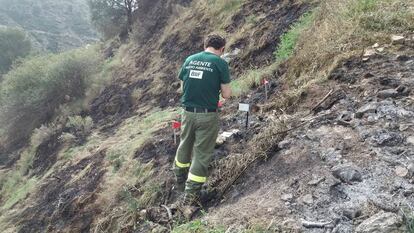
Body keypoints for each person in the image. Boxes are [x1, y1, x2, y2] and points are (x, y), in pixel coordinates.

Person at [174, 34, 232, 207]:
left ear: (205, 45)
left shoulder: (190, 59)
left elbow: (183, 88)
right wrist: (217, 97)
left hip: (187, 113)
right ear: (222, 49)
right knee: (201, 153)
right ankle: (191, 196)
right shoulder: (220, 63)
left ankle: (180, 183)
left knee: (184, 145)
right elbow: (227, 94)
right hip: (207, 115)